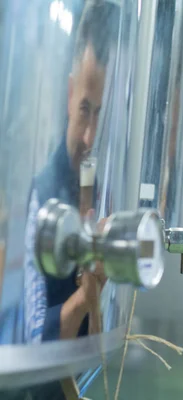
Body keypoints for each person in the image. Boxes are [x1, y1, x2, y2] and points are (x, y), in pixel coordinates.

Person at [23, 0, 118, 344]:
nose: (90, 137)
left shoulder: (111, 189)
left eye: (102, 118)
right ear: (68, 95)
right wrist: (84, 296)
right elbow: (30, 339)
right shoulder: (41, 193)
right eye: (84, 110)